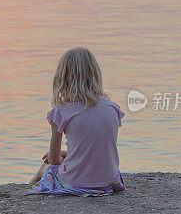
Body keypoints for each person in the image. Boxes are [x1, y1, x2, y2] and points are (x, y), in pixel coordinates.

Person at [27, 47, 125, 196]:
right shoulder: (113, 108)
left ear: (63, 78)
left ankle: (29, 184)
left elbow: (53, 160)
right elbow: (97, 146)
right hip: (109, 181)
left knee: (46, 166)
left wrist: (59, 156)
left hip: (76, 182)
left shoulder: (60, 112)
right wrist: (67, 154)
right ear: (95, 73)